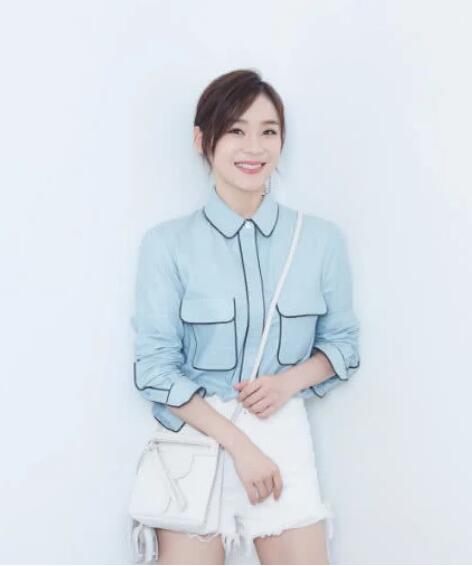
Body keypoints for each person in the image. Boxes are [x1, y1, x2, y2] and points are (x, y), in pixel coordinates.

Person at [131, 68, 361, 565]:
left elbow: (343, 344)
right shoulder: (166, 245)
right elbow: (154, 369)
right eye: (236, 130)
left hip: (284, 443)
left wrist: (287, 382)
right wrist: (239, 446)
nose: (253, 147)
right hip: (198, 443)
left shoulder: (318, 240)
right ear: (202, 140)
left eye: (268, 131)